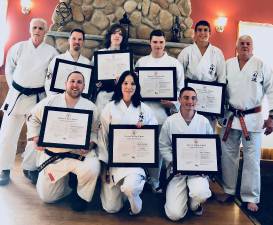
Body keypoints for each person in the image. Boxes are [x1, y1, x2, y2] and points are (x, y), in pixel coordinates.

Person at [27, 71, 102, 211]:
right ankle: (69, 184)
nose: (75, 85)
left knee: (92, 168)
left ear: (84, 86)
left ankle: (80, 195)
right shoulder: (51, 101)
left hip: (79, 154)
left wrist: (90, 144)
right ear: (65, 84)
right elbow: (33, 117)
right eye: (72, 81)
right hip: (55, 155)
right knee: (47, 198)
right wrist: (35, 137)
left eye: (79, 82)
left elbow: (94, 131)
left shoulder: (90, 106)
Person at [0, 18, 58, 185]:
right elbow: (9, 68)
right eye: (35, 27)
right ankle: (4, 168)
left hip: (37, 98)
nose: (37, 30)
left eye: (41, 28)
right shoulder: (18, 48)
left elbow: (52, 76)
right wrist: (13, 86)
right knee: (8, 134)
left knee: (35, 136)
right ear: (30, 29)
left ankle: (29, 168)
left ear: (45, 31)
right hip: (17, 94)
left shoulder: (51, 52)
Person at [219, 35, 273, 212]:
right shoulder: (228, 64)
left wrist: (272, 116)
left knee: (251, 160)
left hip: (254, 119)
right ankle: (228, 190)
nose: (245, 46)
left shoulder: (261, 64)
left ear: (253, 47)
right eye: (241, 43)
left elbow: (271, 90)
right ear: (236, 47)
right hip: (231, 116)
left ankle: (250, 197)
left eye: (248, 43)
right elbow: (219, 88)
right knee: (228, 156)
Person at [98, 71, 157, 215]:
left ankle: (135, 201)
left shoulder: (145, 109)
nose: (129, 87)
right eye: (125, 83)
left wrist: (144, 131)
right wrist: (104, 168)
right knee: (111, 207)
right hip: (115, 163)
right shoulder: (110, 107)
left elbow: (152, 138)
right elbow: (103, 137)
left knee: (130, 187)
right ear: (119, 85)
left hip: (135, 162)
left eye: (132, 83)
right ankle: (126, 191)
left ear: (137, 87)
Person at [135, 29, 184, 193]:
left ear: (165, 43)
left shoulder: (174, 64)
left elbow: (180, 89)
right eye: (155, 42)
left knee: (159, 149)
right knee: (142, 147)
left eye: (161, 42)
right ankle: (140, 179)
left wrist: (172, 102)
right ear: (150, 42)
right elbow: (134, 88)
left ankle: (155, 181)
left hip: (164, 114)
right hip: (143, 113)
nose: (158, 45)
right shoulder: (141, 63)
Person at [159, 87, 212, 221]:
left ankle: (194, 205)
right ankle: (183, 196)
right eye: (186, 98)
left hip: (197, 170)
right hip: (177, 171)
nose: (190, 101)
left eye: (193, 98)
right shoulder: (170, 121)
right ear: (179, 100)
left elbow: (211, 148)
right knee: (174, 215)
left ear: (197, 101)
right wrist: (174, 162)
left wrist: (205, 167)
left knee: (201, 193)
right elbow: (163, 146)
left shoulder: (204, 122)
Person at [177, 20, 226, 130]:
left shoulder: (217, 53)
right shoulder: (187, 51)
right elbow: (179, 75)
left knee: (207, 129)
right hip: (190, 96)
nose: (202, 33)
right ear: (195, 32)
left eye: (205, 30)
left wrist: (219, 102)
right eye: (199, 30)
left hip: (210, 96)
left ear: (210, 33)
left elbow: (222, 78)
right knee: (189, 128)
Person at [92, 23, 128, 115]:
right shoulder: (100, 54)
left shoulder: (127, 57)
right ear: (110, 35)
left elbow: (130, 78)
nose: (117, 36)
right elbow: (92, 75)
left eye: (120, 34)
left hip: (120, 96)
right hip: (102, 96)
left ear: (123, 38)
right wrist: (96, 83)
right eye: (114, 33)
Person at [45, 28, 90, 97]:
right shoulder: (57, 59)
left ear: (83, 42)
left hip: (78, 102)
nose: (77, 42)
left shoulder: (87, 63)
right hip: (59, 100)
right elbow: (48, 82)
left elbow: (87, 85)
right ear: (69, 40)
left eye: (80, 39)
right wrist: (54, 99)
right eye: (74, 39)